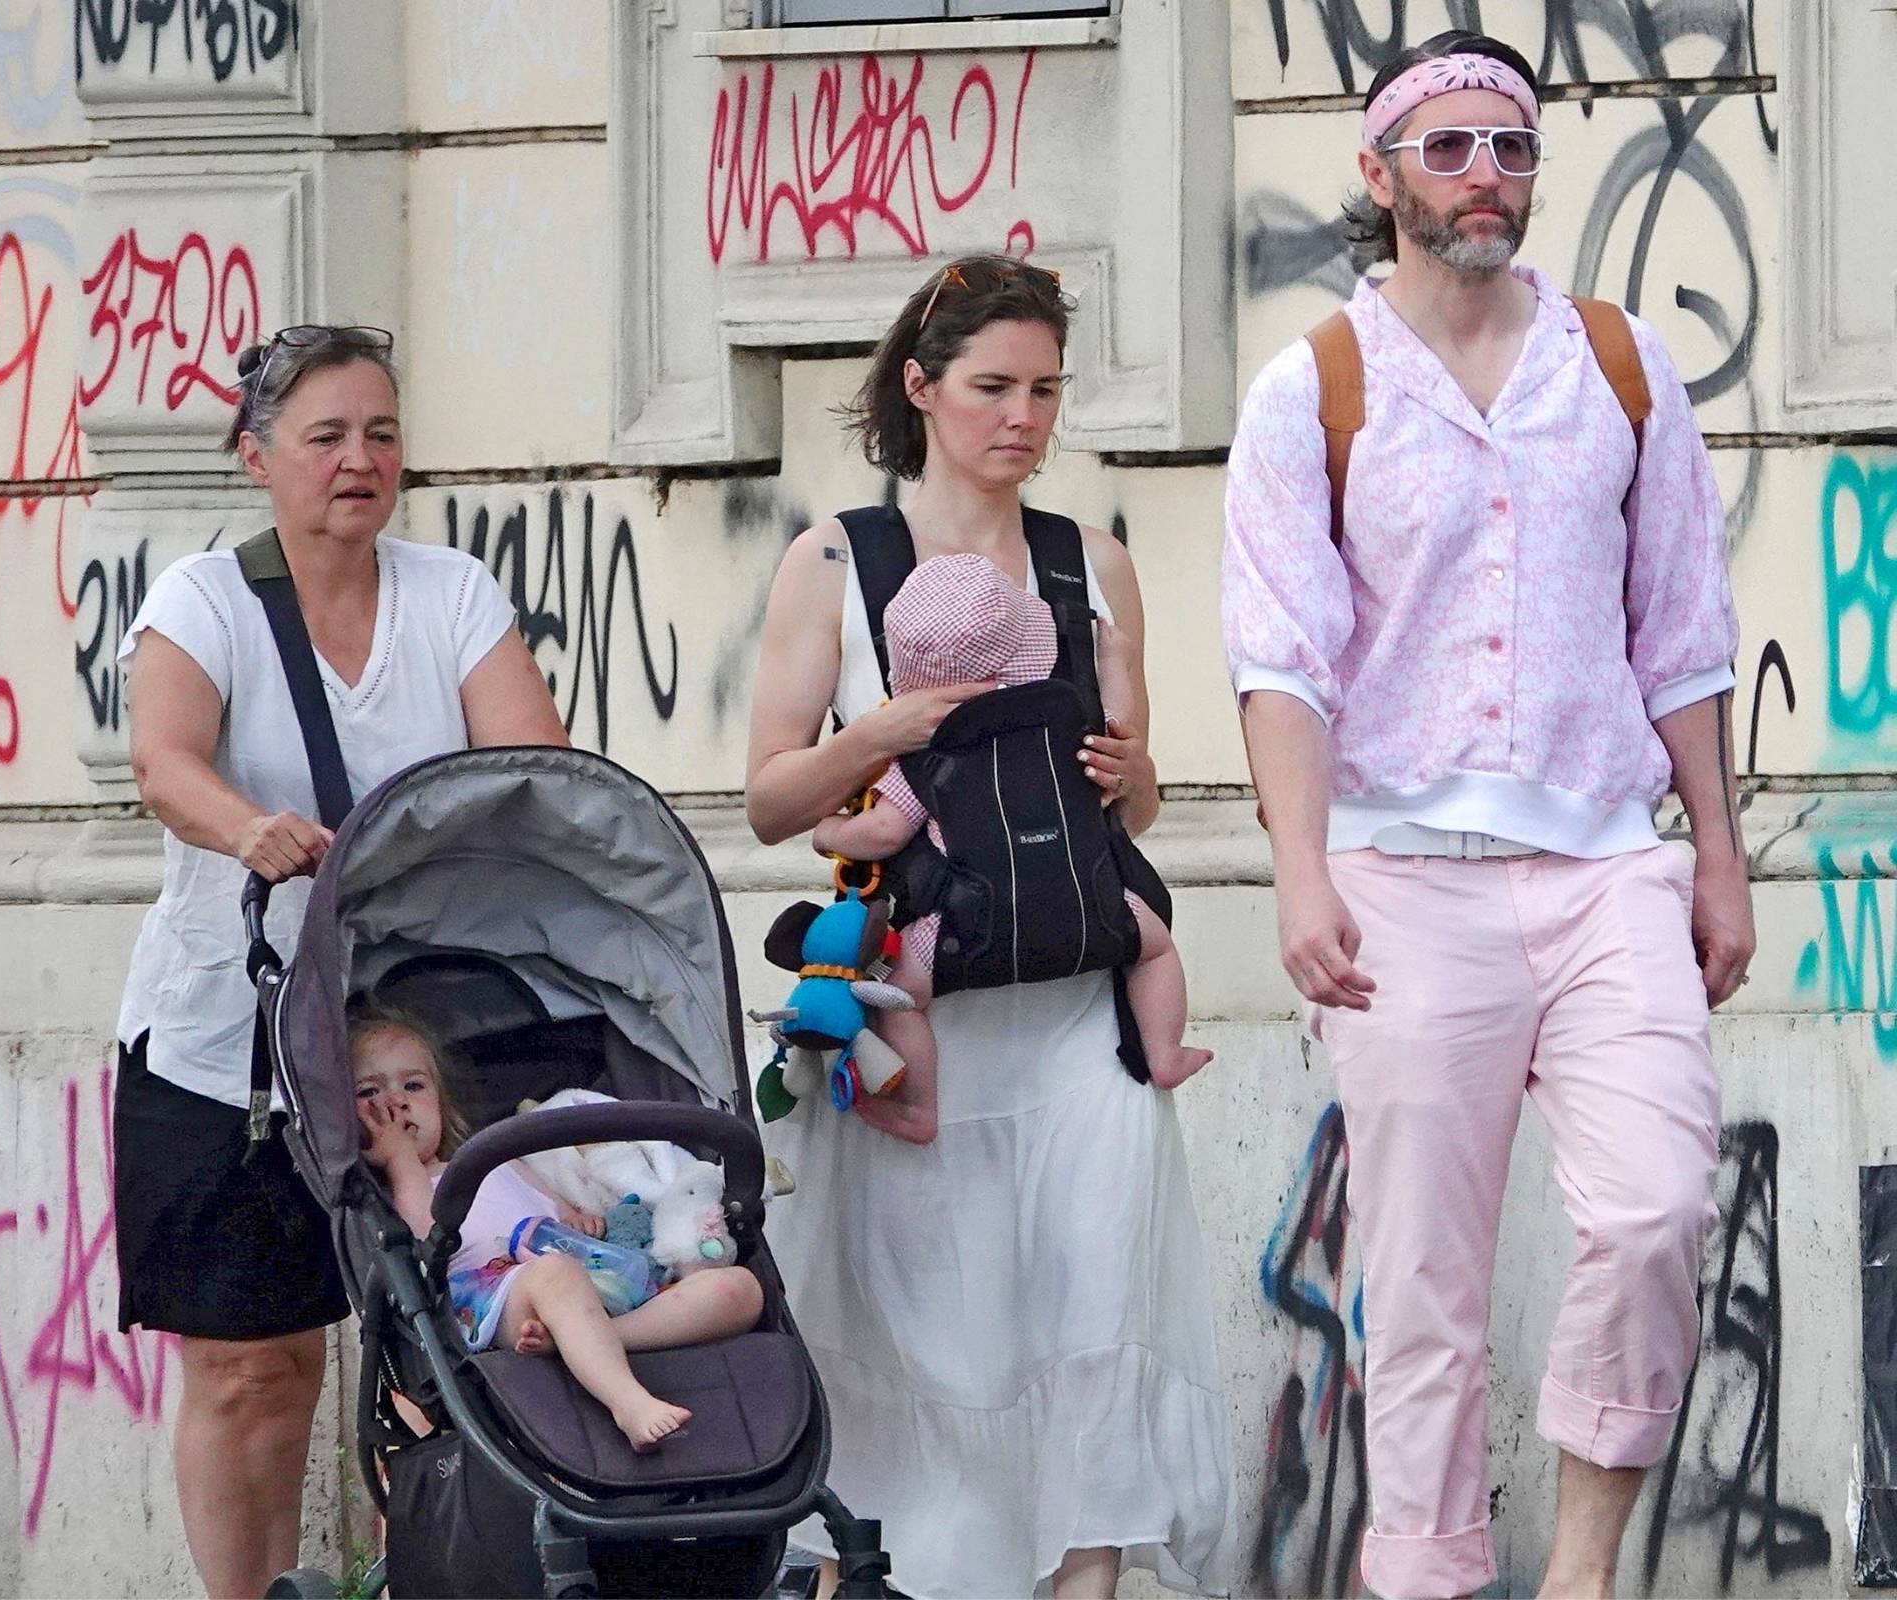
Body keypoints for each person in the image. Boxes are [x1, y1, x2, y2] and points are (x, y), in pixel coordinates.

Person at [1221, 31, 1751, 1600]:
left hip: (1607, 871)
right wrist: (1300, 869)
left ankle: (1581, 1573)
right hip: (1402, 880)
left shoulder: (1623, 366)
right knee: (1426, 1293)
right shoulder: (1311, 384)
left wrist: (1715, 851)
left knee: (1656, 1207)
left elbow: (1687, 630)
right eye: (1448, 150)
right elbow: (1279, 659)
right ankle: (1431, 1582)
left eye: (1511, 149)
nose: (1486, 179)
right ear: (1380, 176)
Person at [747, 255, 1233, 1599]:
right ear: (922, 386)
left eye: (1045, 391)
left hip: (1076, 1021)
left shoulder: (1094, 565)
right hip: (916, 1030)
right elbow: (770, 801)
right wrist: (885, 732)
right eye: (992, 387)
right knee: (917, 1347)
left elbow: (1129, 812)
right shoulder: (835, 561)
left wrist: (1130, 777)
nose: (1022, 417)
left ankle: (1083, 1583)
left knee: (1094, 1317)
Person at [113, 324, 572, 1599]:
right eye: (325, 436)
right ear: (256, 457)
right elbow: (165, 760)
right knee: (256, 1366)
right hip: (232, 1043)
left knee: (453, 1347)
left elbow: (531, 768)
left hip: (413, 1043)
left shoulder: (454, 595)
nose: (359, 458)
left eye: (381, 431)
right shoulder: (202, 601)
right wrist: (246, 827)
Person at [810, 551, 1211, 1144]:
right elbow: (1122, 732)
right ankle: (1164, 1050)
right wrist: (1117, 660)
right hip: (1088, 906)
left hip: (964, 928)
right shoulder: (1071, 722)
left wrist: (826, 832)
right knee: (1153, 949)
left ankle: (921, 1108)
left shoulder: (924, 749)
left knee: (897, 995)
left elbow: (883, 834)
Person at [350, 1010, 764, 1452]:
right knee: (555, 1274)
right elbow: (427, 1231)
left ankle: (596, 1338)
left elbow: (545, 1199)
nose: (396, 1102)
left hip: (592, 1274)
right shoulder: (399, 1190)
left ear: (441, 1102)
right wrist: (398, 1158)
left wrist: (571, 1215)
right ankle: (628, 1402)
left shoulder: (491, 1156)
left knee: (739, 1289)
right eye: (370, 1092)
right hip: (498, 1295)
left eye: (413, 1085)